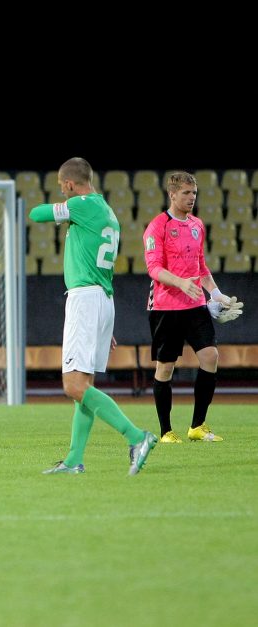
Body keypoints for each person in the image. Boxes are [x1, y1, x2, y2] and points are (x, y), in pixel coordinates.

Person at [29, 157, 158, 476]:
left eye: (63, 187)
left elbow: (36, 214)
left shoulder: (82, 204)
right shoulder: (108, 211)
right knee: (83, 385)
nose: (63, 192)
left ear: (70, 184)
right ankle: (74, 459)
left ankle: (136, 436)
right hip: (102, 298)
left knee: (73, 385)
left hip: (86, 298)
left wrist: (63, 205)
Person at [143, 171, 244, 443]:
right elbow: (153, 268)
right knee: (165, 368)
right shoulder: (157, 226)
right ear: (172, 194)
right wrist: (181, 283)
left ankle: (197, 426)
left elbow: (200, 265)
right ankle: (166, 431)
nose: (191, 198)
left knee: (210, 356)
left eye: (194, 193)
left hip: (195, 303)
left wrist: (217, 293)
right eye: (186, 193)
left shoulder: (198, 224)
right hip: (165, 306)